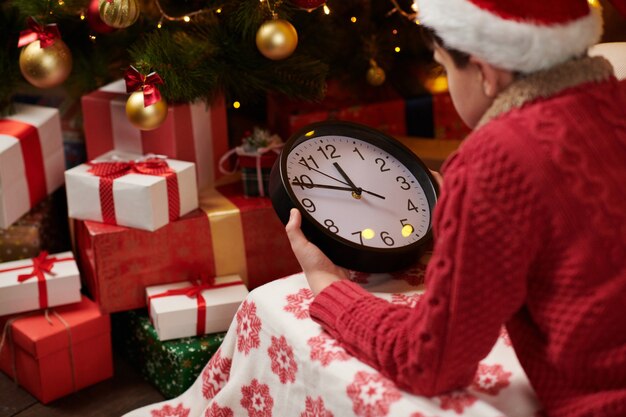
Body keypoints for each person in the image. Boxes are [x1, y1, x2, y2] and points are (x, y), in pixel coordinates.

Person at [285, 1, 626, 416]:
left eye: (443, 66)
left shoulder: (495, 157)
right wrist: (473, 210)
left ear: (485, 72)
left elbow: (430, 362)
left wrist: (328, 285)